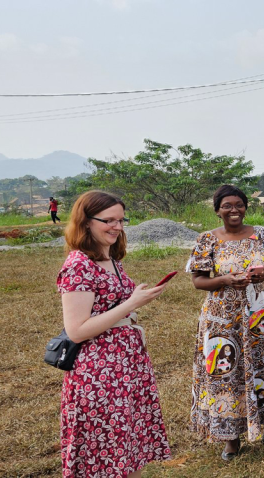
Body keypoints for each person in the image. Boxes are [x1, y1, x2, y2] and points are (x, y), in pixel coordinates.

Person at [56, 190, 171, 477]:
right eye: (109, 221)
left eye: (121, 220)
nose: (117, 227)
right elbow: (77, 330)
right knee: (105, 450)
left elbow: (109, 305)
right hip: (100, 371)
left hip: (126, 366)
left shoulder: (110, 258)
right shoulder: (78, 265)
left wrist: (133, 298)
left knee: (125, 446)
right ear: (85, 222)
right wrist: (131, 304)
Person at [187, 185, 264, 461]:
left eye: (238, 204)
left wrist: (263, 274)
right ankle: (230, 439)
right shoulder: (206, 240)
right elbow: (198, 281)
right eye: (227, 205)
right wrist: (226, 280)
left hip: (260, 314)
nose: (234, 210)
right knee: (227, 372)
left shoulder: (261, 234)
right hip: (222, 320)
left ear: (245, 207)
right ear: (217, 210)